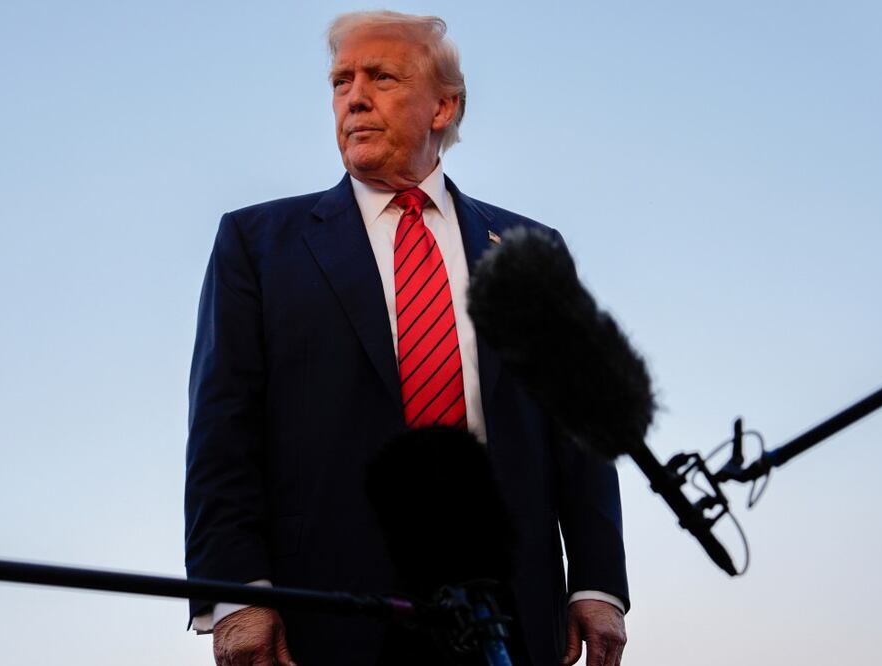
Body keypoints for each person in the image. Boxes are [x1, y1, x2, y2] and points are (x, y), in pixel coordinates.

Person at [185, 11, 629, 666]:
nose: (354, 96)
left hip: (508, 606)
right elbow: (224, 429)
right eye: (341, 81)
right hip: (328, 612)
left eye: (381, 77)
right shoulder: (256, 244)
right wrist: (236, 592)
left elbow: (577, 428)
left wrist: (597, 582)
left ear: (443, 106)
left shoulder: (532, 251)